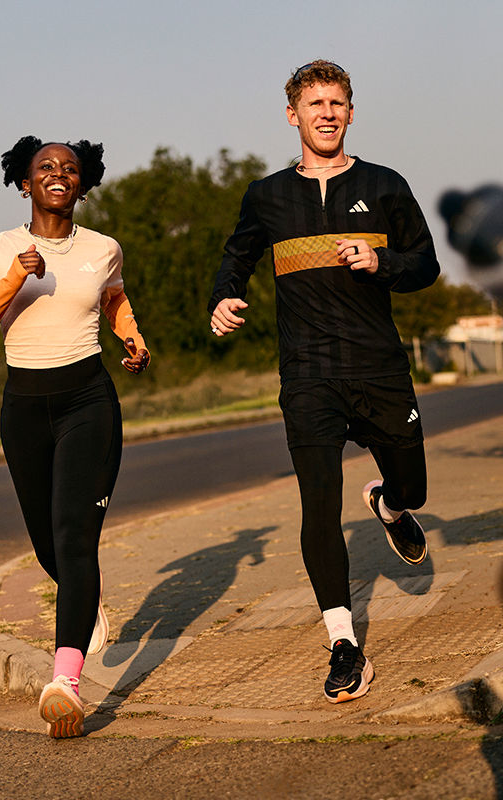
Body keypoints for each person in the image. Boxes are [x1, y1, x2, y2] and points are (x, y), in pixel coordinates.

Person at [208, 61, 440, 704]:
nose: (327, 113)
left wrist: (383, 261)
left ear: (351, 112)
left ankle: (390, 505)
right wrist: (223, 298)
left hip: (380, 368)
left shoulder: (384, 184)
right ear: (294, 116)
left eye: (337, 102)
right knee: (317, 505)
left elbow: (426, 264)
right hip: (307, 375)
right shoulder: (267, 195)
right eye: (314, 104)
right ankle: (343, 644)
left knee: (414, 485)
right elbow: (238, 255)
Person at [0, 136, 150, 737]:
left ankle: (65, 683)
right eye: (46, 168)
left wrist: (131, 338)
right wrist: (13, 278)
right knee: (47, 545)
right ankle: (82, 601)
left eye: (70, 169)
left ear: (83, 186)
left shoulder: (103, 248)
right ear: (24, 182)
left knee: (73, 533)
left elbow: (113, 297)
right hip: (24, 407)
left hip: (88, 399)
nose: (58, 175)